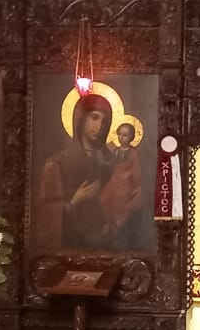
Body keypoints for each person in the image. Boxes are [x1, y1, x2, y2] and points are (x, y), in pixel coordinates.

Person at [35, 93, 115, 248]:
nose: (99, 126)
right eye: (94, 117)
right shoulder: (56, 164)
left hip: (104, 244)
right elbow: (44, 215)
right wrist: (74, 201)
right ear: (81, 119)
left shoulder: (107, 163)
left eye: (104, 121)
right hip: (70, 243)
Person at [99, 121, 143, 247]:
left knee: (120, 198)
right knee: (104, 198)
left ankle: (117, 226)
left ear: (131, 137)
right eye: (120, 134)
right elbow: (110, 165)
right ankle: (109, 223)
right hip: (114, 180)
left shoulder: (133, 153)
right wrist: (102, 161)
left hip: (126, 182)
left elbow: (136, 169)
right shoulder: (115, 151)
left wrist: (137, 185)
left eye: (125, 135)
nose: (121, 137)